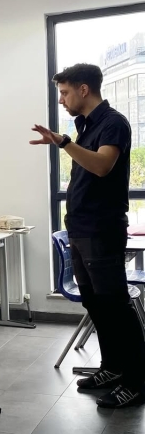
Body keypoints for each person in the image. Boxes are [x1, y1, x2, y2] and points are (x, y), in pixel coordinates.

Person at [31, 62, 145, 408]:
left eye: (65, 92)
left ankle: (137, 382)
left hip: (101, 229)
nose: (61, 100)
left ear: (84, 89)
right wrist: (66, 141)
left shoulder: (113, 123)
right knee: (96, 304)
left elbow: (101, 165)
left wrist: (63, 142)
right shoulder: (86, 125)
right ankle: (112, 367)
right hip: (81, 229)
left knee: (116, 307)